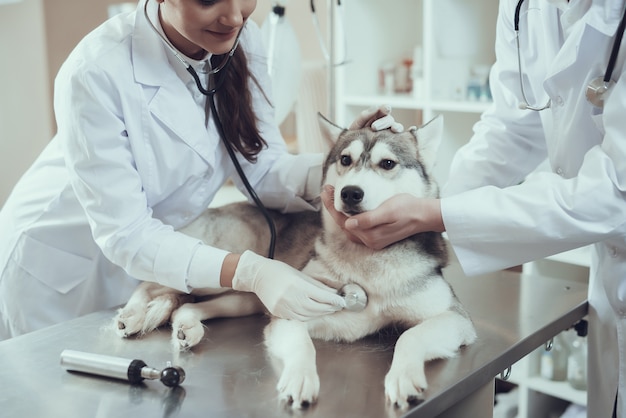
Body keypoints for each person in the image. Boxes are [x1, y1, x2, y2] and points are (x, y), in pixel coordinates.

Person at [0, 0, 401, 340]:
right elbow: (127, 233)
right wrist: (251, 272)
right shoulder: (95, 71)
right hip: (58, 267)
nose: (233, 17)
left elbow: (263, 169)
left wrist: (346, 166)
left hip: (153, 257)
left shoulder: (246, 41)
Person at [322, 0, 625, 416]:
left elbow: (614, 191)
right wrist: (428, 199)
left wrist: (434, 215)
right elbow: (511, 128)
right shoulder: (524, 7)